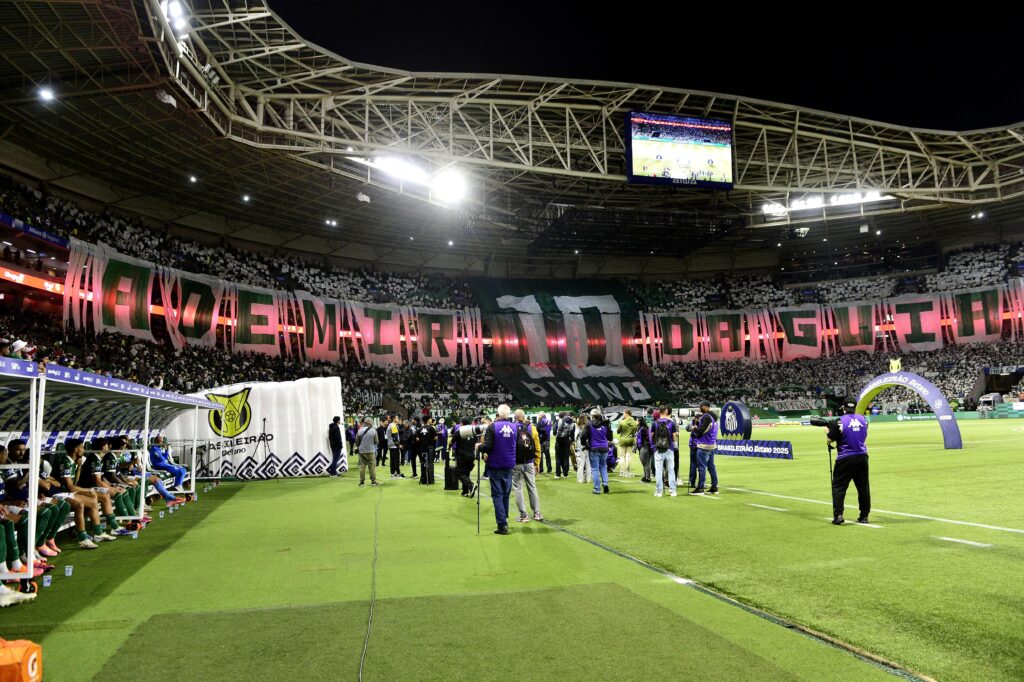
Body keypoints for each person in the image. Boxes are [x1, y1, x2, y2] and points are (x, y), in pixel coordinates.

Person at [827, 401, 871, 525]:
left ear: (844, 407)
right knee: (863, 488)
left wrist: (828, 431)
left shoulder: (839, 421)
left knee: (839, 487)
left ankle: (838, 515)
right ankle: (864, 516)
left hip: (845, 458)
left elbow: (830, 439)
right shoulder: (864, 419)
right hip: (862, 457)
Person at [477, 404, 518, 535]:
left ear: (498, 414)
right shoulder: (514, 427)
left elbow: (488, 447)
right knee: (506, 493)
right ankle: (504, 517)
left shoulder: (493, 426)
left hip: (495, 464)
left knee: (497, 495)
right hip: (509, 464)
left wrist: (479, 446)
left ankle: (502, 524)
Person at [511, 409, 542, 522]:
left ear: (515, 417)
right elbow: (537, 446)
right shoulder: (532, 428)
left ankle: (523, 515)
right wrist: (537, 462)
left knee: (518, 488)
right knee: (532, 487)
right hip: (529, 462)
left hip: (516, 463)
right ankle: (537, 513)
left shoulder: (512, 428)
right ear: (524, 417)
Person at [688, 401, 719, 495]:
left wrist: (694, 428)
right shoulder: (713, 417)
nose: (700, 407)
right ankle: (714, 486)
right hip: (712, 444)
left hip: (704, 444)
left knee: (701, 467)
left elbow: (700, 432)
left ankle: (700, 488)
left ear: (706, 406)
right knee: (711, 466)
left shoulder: (706, 417)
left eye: (701, 406)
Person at [583, 409, 611, 494]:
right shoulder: (606, 424)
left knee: (595, 469)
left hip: (594, 448)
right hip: (604, 448)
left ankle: (597, 489)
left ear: (591, 416)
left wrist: (586, 445)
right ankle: (605, 483)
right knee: (603, 467)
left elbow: (583, 437)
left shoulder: (589, 425)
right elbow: (610, 438)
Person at [650, 409, 677, 497]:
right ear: (666, 412)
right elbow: (674, 436)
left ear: (660, 412)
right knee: (671, 470)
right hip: (669, 448)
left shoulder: (655, 423)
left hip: (658, 449)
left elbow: (652, 435)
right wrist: (674, 445)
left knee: (658, 470)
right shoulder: (671, 423)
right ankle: (673, 491)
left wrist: (654, 445)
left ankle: (659, 492)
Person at [449, 417, 477, 498]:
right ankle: (465, 491)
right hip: (471, 454)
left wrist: (449, 447)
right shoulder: (474, 431)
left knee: (457, 472)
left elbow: (452, 441)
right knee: (466, 473)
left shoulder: (459, 431)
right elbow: (476, 441)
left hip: (462, 455)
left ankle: (470, 485)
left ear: (462, 423)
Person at [355, 418, 379, 487]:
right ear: (370, 423)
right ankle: (373, 481)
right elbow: (376, 441)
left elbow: (357, 441)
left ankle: (362, 482)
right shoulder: (373, 431)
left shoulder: (360, 430)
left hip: (362, 451)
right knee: (372, 467)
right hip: (371, 451)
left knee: (362, 467)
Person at [616, 409, 638, 477]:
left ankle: (622, 472)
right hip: (630, 440)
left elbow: (618, 432)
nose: (623, 415)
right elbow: (635, 432)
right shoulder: (634, 423)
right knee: (628, 457)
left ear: (627, 414)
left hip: (623, 440)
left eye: (624, 413)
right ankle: (627, 471)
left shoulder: (622, 422)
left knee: (622, 456)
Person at [417, 417, 437, 485]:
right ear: (428, 420)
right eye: (430, 419)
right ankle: (430, 479)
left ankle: (423, 479)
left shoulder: (419, 429)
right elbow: (435, 438)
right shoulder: (432, 428)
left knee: (423, 463)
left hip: (422, 448)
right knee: (430, 463)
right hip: (430, 449)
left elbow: (417, 439)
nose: (431, 420)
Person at [554, 412, 574, 478]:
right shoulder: (572, 423)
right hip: (567, 442)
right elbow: (572, 435)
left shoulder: (559, 421)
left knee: (558, 458)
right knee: (566, 458)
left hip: (559, 441)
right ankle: (565, 474)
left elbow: (554, 432)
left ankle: (558, 474)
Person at [573, 413, 591, 484]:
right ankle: (588, 479)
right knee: (588, 463)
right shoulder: (589, 427)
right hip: (588, 446)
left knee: (580, 464)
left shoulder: (577, 428)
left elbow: (574, 438)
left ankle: (580, 480)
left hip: (580, 447)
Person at [634, 415, 652, 482]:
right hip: (645, 446)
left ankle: (647, 478)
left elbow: (642, 439)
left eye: (636, 420)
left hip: (644, 446)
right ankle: (645, 476)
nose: (635, 421)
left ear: (639, 421)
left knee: (645, 463)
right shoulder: (642, 428)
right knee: (645, 463)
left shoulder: (642, 429)